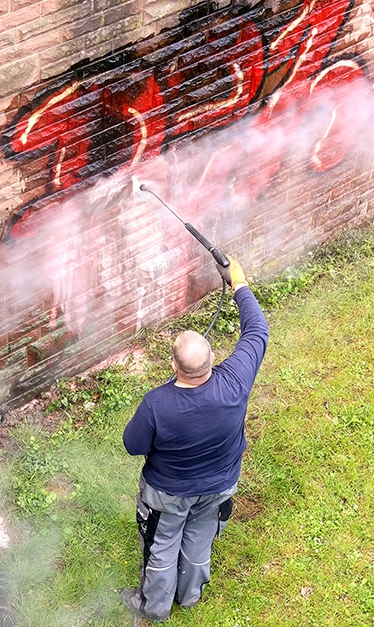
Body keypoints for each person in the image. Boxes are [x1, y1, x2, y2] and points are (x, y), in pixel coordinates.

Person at [121, 259, 269, 622]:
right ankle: (189, 596)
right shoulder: (235, 381)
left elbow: (133, 445)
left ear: (173, 366)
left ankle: (154, 607)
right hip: (220, 486)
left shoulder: (157, 404)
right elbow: (257, 330)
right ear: (213, 359)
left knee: (161, 545)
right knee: (200, 538)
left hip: (168, 495)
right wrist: (238, 282)